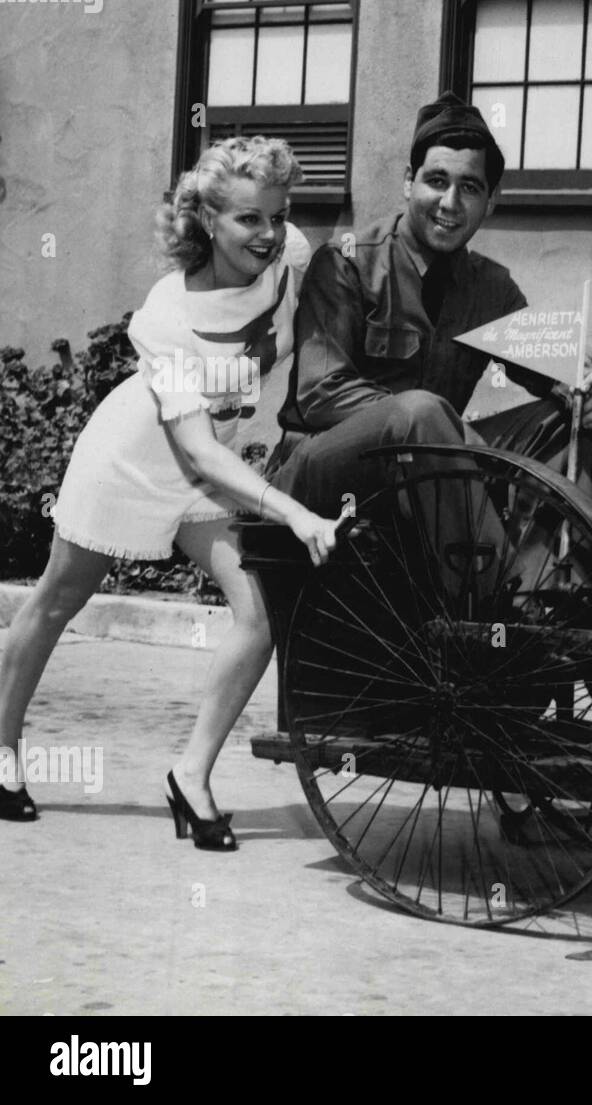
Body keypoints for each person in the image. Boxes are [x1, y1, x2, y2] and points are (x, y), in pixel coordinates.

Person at [0, 137, 339, 839]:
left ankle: (191, 776)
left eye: (276, 215)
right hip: (132, 459)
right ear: (208, 220)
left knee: (259, 612)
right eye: (248, 220)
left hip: (209, 467)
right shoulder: (165, 318)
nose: (268, 234)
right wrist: (292, 510)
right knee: (58, 599)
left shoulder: (293, 254)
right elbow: (191, 446)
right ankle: (1, 745)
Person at [267, 93, 592, 578]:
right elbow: (320, 393)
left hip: (426, 468)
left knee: (559, 418)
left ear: (490, 201)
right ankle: (503, 600)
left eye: (469, 188)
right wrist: (442, 432)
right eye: (436, 181)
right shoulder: (345, 260)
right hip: (323, 470)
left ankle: (551, 588)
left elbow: (549, 365)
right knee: (421, 410)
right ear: (409, 183)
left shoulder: (491, 287)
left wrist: (583, 387)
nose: (450, 203)